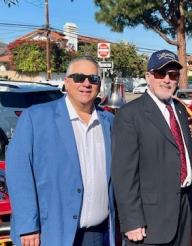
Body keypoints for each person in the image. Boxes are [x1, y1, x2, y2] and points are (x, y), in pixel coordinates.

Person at [6, 56, 115, 246]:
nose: (86, 83)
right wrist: (28, 226)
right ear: (66, 82)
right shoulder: (35, 117)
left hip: (97, 234)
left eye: (93, 79)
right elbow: (18, 173)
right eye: (79, 77)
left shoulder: (109, 122)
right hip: (49, 233)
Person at [111, 49, 192, 246]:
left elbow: (185, 155)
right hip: (150, 219)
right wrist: (131, 220)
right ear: (148, 76)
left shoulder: (179, 110)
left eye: (173, 75)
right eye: (161, 74)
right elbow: (123, 174)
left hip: (184, 211)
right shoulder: (130, 114)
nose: (167, 80)